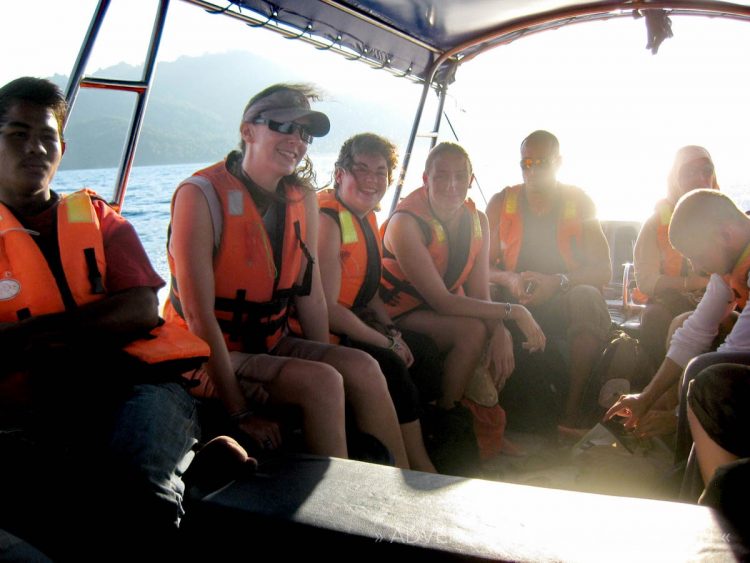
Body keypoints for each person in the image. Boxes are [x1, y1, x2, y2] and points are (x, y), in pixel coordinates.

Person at [0, 77, 210, 558]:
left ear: (62, 148)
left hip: (136, 386)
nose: (35, 147)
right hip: (31, 403)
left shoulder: (100, 221)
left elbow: (139, 308)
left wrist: (23, 337)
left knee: (137, 491)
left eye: (48, 137)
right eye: (17, 133)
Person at [164, 84, 408, 466]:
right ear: (248, 131)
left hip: (271, 342)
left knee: (363, 366)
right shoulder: (201, 195)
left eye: (305, 133)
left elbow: (309, 297)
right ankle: (338, 519)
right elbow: (197, 317)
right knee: (323, 383)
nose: (297, 140)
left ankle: (396, 491)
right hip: (208, 356)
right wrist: (240, 413)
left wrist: (323, 355)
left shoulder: (301, 197)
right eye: (283, 126)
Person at [379, 141, 545, 416]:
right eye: (441, 175)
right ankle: (445, 417)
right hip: (398, 313)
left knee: (495, 334)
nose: (451, 184)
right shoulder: (405, 224)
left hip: (437, 309)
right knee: (473, 331)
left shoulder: (478, 220)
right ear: (425, 180)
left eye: (459, 176)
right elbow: (442, 302)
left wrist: (500, 330)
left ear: (471, 181)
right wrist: (515, 312)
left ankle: (486, 425)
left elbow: (480, 292)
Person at [317, 133, 440, 472]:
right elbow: (328, 309)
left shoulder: (365, 216)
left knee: (423, 351)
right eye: (361, 170)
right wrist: (386, 343)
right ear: (340, 174)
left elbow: (368, 290)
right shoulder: (328, 222)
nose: (372, 180)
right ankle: (413, 465)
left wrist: (391, 330)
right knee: (391, 364)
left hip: (359, 324)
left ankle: (430, 440)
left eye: (380, 172)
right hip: (330, 334)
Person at [486, 130, 612, 427]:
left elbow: (603, 269)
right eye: (526, 163)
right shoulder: (501, 202)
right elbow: (480, 268)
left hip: (562, 299)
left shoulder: (579, 202)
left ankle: (572, 411)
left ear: (559, 162)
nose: (532, 170)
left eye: (541, 162)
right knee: (482, 295)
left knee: (588, 298)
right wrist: (509, 279)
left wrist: (556, 282)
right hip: (513, 298)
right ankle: (492, 415)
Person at [606, 190, 750, 441]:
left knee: (709, 378)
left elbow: (732, 354)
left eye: (698, 257)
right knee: (695, 353)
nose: (696, 268)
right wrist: (646, 397)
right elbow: (694, 334)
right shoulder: (731, 262)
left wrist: (677, 417)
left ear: (726, 235)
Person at [633, 146, 718, 366]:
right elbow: (646, 281)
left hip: (720, 301)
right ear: (674, 179)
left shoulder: (730, 221)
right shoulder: (655, 224)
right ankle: (661, 390)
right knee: (654, 319)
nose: (700, 178)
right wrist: (695, 282)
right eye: (688, 172)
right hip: (672, 302)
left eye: (706, 170)